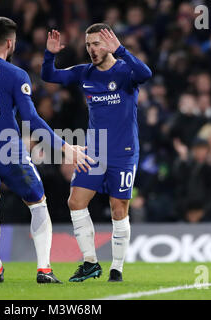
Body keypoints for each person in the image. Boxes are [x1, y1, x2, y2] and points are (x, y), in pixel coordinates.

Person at [0, 17, 92, 284]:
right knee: (38, 203)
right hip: (8, 154)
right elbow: (32, 121)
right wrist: (64, 148)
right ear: (10, 43)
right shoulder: (15, 75)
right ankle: (44, 269)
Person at [41, 24, 152, 282]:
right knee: (75, 202)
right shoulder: (84, 73)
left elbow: (146, 74)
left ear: (109, 44)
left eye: (97, 44)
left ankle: (117, 268)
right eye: (88, 44)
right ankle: (90, 262)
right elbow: (49, 75)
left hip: (124, 153)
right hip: (94, 151)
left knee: (118, 209)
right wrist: (49, 54)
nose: (92, 49)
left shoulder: (126, 71)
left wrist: (121, 51)